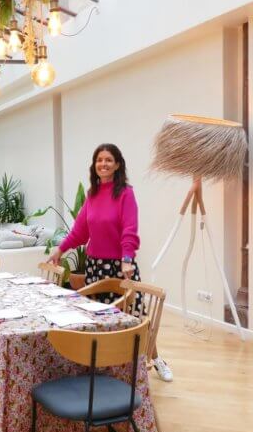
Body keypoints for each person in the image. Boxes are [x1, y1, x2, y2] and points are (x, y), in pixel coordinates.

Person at [48, 143, 173, 382]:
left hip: (119, 267)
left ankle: (156, 359)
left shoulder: (125, 193)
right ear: (94, 166)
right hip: (96, 267)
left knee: (136, 317)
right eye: (99, 160)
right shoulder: (92, 195)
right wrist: (60, 250)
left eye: (108, 160)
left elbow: (130, 228)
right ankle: (107, 367)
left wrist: (127, 259)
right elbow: (80, 232)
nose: (103, 164)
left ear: (117, 165)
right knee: (98, 319)